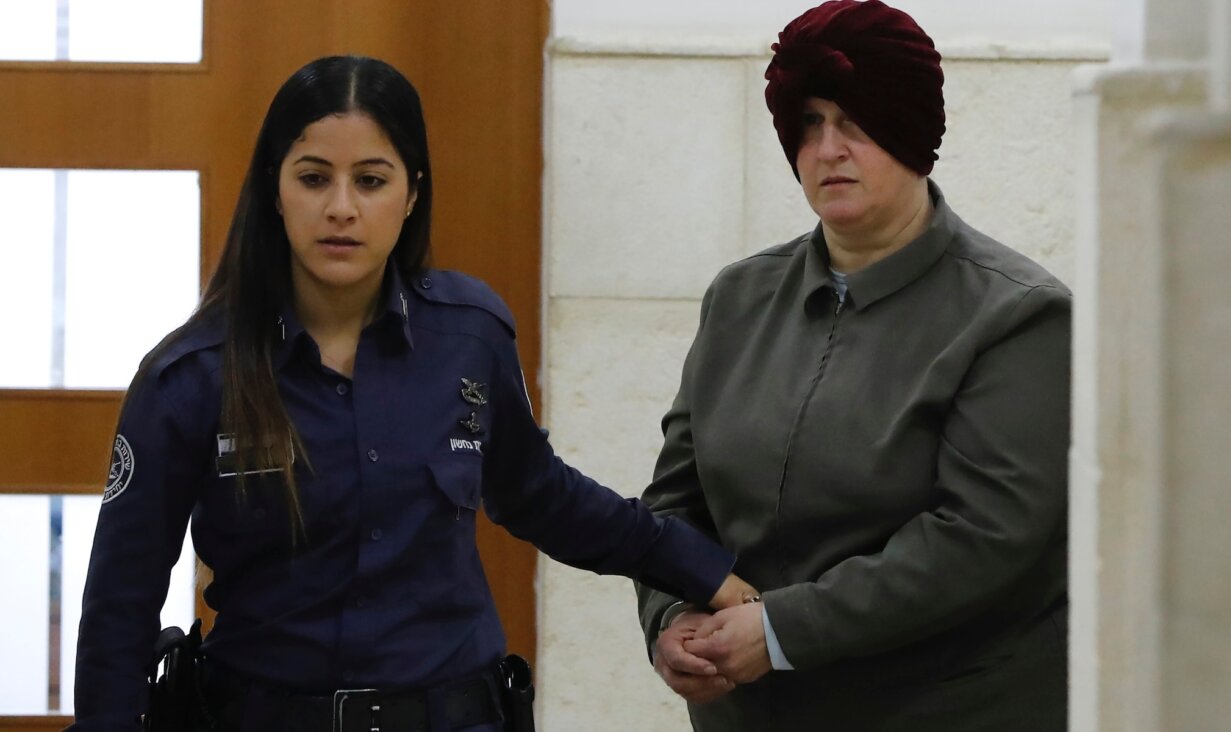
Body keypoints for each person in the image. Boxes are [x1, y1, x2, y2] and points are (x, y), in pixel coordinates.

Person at [69, 55, 756, 732]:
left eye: (371, 180)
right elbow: (120, 602)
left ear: (412, 193)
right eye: (313, 178)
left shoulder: (469, 336)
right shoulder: (188, 376)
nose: (341, 208)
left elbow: (542, 496)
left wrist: (700, 571)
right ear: (275, 191)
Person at [635, 1, 1071, 729]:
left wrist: (779, 632)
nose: (828, 147)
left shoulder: (1018, 315)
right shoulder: (740, 297)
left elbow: (981, 539)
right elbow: (676, 501)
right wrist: (672, 614)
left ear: (912, 130)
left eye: (856, 120)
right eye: (807, 121)